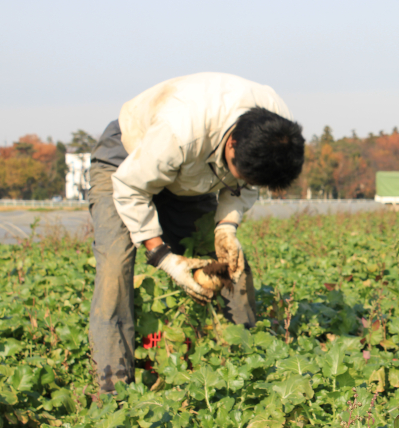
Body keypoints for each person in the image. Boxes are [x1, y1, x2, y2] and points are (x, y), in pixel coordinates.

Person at [87, 72, 305, 393]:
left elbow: (244, 186)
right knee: (114, 270)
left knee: (228, 266)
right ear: (232, 144)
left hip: (191, 173)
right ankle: (111, 392)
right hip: (127, 160)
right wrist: (164, 257)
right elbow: (131, 188)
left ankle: (242, 366)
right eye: (240, 173)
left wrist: (226, 228)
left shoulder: (278, 134)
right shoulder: (179, 130)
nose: (245, 183)